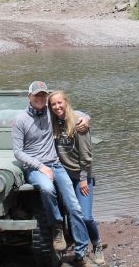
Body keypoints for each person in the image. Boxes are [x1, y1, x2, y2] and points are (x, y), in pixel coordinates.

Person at [12, 81, 92, 266]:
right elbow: (18, 152)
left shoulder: (50, 113)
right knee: (47, 188)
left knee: (74, 206)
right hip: (34, 168)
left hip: (56, 165)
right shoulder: (20, 120)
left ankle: (81, 252)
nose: (40, 98)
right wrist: (40, 167)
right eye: (36, 95)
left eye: (43, 95)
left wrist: (86, 118)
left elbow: (74, 112)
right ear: (29, 97)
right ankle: (56, 226)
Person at [49, 90, 106, 266]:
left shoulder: (79, 122)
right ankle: (77, 250)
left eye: (60, 102)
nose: (57, 106)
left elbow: (87, 155)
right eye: (53, 104)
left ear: (66, 102)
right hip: (62, 177)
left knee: (86, 216)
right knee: (70, 214)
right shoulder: (51, 123)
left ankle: (96, 244)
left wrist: (82, 179)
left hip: (81, 176)